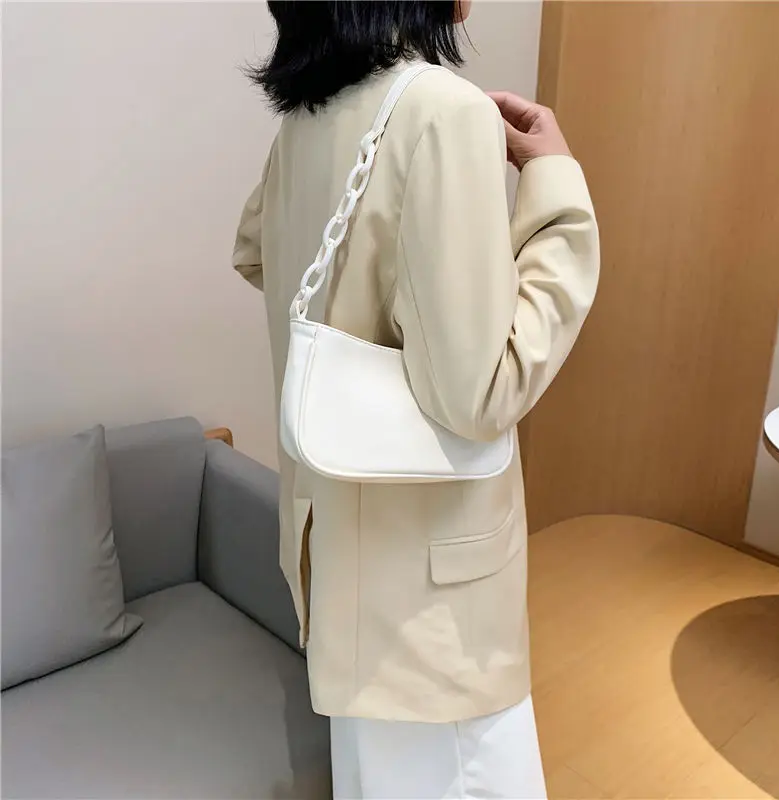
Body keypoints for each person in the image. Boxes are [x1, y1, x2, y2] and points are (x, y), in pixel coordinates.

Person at [233, 1, 600, 797]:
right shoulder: (441, 112)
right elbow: (484, 391)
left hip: (339, 578)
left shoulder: (303, 121)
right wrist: (556, 187)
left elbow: (257, 254)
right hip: (434, 619)